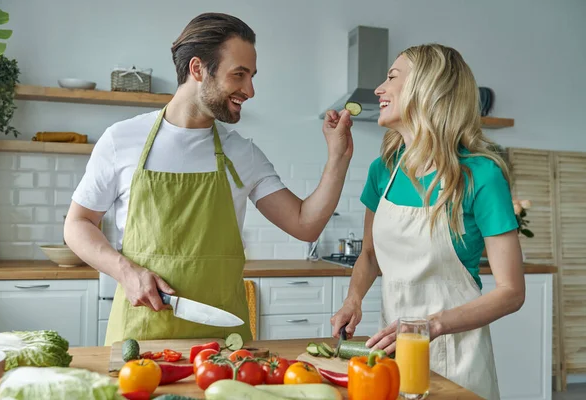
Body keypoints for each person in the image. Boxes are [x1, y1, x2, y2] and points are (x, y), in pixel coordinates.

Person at [64, 12, 353, 345]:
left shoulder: (242, 154)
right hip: (140, 337)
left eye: (252, 76)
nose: (250, 90)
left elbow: (305, 224)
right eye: (239, 75)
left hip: (223, 344)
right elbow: (78, 224)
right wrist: (125, 271)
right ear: (198, 69)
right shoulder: (122, 140)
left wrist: (337, 159)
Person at [330, 43, 525, 400]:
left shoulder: (482, 175)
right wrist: (353, 299)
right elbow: (371, 255)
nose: (378, 90)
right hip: (389, 354)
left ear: (427, 87)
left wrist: (431, 326)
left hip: (458, 358)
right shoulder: (383, 170)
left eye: (391, 78)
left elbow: (511, 292)